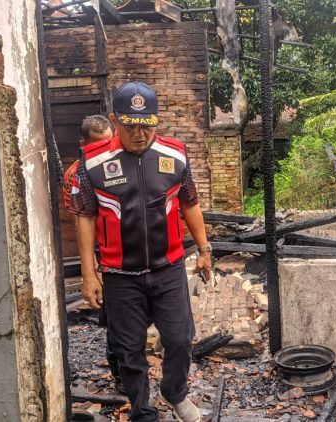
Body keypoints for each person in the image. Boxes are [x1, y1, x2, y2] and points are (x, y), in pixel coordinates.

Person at [69, 81, 212, 422]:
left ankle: (175, 393)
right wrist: (89, 274)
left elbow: (189, 203)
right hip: (120, 276)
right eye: (131, 125)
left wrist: (205, 250)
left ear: (156, 121)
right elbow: (85, 219)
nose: (139, 133)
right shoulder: (93, 164)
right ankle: (142, 410)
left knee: (179, 339)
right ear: (114, 121)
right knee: (129, 351)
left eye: (147, 124)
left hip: (169, 268)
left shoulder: (175, 155)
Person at [62, 115, 130, 394]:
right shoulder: (75, 176)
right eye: (98, 145)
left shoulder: (123, 162)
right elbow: (84, 223)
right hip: (107, 261)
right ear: (83, 144)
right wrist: (91, 271)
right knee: (116, 323)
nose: (106, 149)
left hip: (134, 254)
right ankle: (121, 375)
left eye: (109, 142)